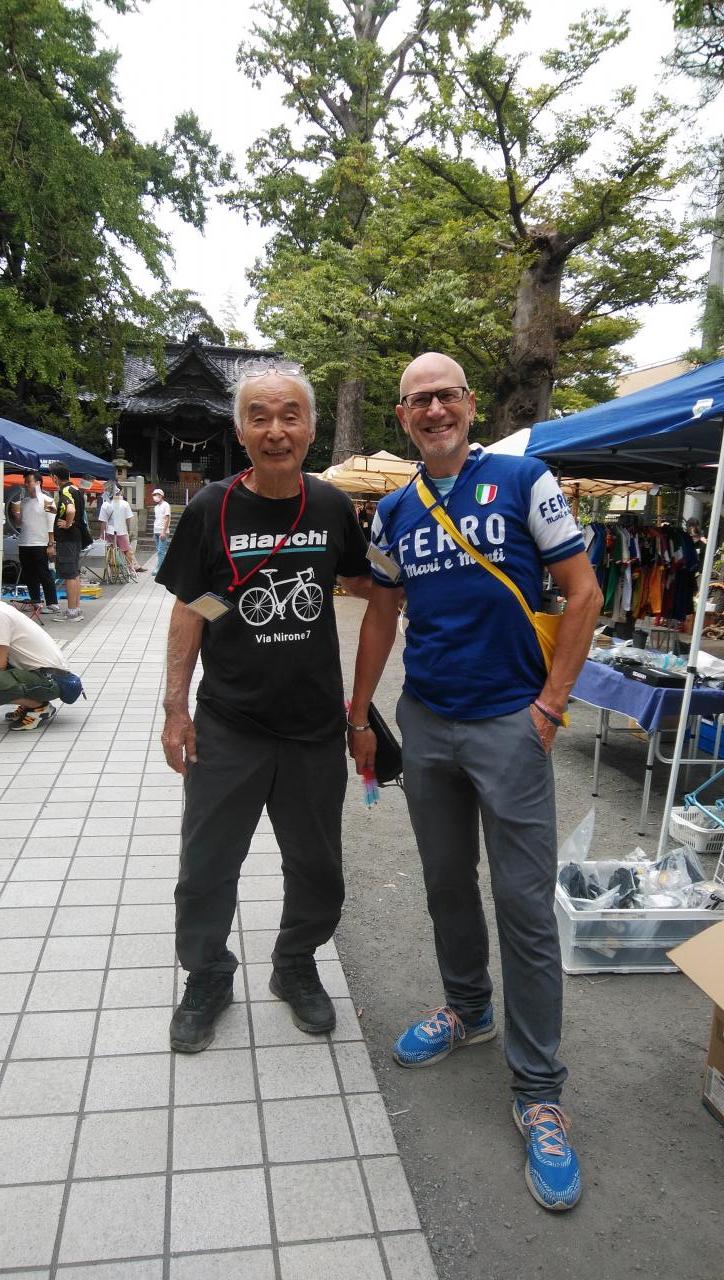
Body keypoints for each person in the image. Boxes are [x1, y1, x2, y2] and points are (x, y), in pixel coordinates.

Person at [348, 352, 602, 1213]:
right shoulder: (395, 510)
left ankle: (540, 1092)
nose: (433, 411)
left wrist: (551, 706)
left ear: (468, 403)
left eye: (445, 396)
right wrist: (359, 713)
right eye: (418, 401)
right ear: (402, 416)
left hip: (510, 724)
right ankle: (468, 1009)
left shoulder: (525, 480)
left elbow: (581, 592)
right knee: (447, 883)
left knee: (524, 907)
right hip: (428, 721)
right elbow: (382, 610)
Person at [156, 360, 371, 1053]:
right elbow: (194, 607)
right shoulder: (211, 509)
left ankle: (296, 964)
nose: (276, 430)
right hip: (229, 724)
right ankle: (208, 975)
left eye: (290, 416)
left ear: (311, 428)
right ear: (241, 431)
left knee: (317, 865)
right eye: (260, 417)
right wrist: (175, 709)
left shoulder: (332, 507)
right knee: (207, 866)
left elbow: (371, 586)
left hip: (313, 729)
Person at [0, 599, 74, 730]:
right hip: (42, 675)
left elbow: (1, 664)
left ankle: (38, 707)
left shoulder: (1, 615)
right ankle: (28, 704)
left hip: (54, 680)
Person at [9, 472, 60, 615]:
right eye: (25, 481)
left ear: (38, 483)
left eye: (28, 481)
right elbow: (20, 524)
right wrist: (16, 515)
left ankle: (52, 603)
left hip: (41, 543)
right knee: (29, 574)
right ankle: (35, 601)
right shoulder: (24, 502)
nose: (26, 484)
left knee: (44, 573)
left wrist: (51, 544)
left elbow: (51, 523)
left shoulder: (47, 500)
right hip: (25, 542)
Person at [49, 463, 85, 621]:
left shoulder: (65, 491)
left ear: (55, 477)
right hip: (76, 537)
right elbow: (71, 509)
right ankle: (76, 609)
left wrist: (67, 523)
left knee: (69, 575)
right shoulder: (75, 488)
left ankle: (71, 612)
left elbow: (71, 510)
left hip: (67, 538)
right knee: (75, 574)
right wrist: (57, 511)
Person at [99, 488, 140, 578]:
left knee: (110, 551)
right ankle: (131, 569)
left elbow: (103, 522)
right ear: (119, 493)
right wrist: (128, 530)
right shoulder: (125, 504)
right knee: (127, 551)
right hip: (122, 531)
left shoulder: (105, 504)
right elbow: (128, 519)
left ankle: (113, 571)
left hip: (109, 532)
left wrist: (102, 534)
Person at [151, 488, 171, 574]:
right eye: (154, 495)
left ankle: (159, 569)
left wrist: (163, 531)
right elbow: (157, 519)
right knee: (159, 551)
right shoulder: (156, 507)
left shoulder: (166, 505)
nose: (155, 496)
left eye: (157, 495)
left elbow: (167, 519)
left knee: (160, 551)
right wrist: (154, 532)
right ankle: (165, 566)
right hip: (156, 531)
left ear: (162, 496)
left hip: (162, 531)